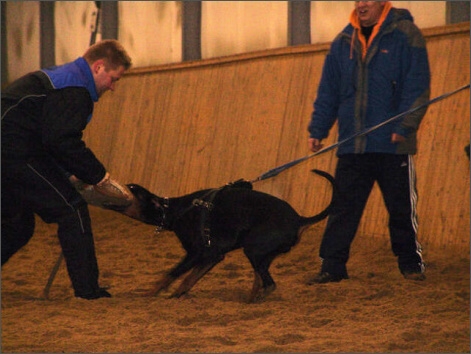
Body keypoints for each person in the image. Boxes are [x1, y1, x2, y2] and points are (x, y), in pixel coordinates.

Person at [307, 1, 430, 283]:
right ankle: (332, 265)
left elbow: (417, 84)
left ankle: (410, 263)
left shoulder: (406, 35)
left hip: (392, 143)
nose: (361, 4)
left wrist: (405, 126)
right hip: (353, 144)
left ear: (382, 3)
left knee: (400, 208)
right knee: (342, 208)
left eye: (368, 0)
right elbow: (329, 90)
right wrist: (318, 129)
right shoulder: (342, 42)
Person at [2, 39, 133, 299]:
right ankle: (88, 291)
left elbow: (48, 134)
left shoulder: (62, 78)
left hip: (13, 148)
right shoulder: (75, 90)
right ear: (98, 67)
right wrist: (99, 177)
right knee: (71, 210)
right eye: (113, 78)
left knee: (18, 224)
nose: (113, 87)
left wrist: (67, 172)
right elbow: (61, 141)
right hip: (14, 152)